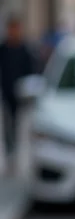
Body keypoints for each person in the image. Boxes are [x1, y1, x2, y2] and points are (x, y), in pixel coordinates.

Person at [0, 16, 37, 162]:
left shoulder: (24, 49)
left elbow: (32, 70)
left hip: (22, 94)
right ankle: (11, 152)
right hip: (7, 92)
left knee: (20, 124)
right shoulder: (3, 49)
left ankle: (16, 152)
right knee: (8, 124)